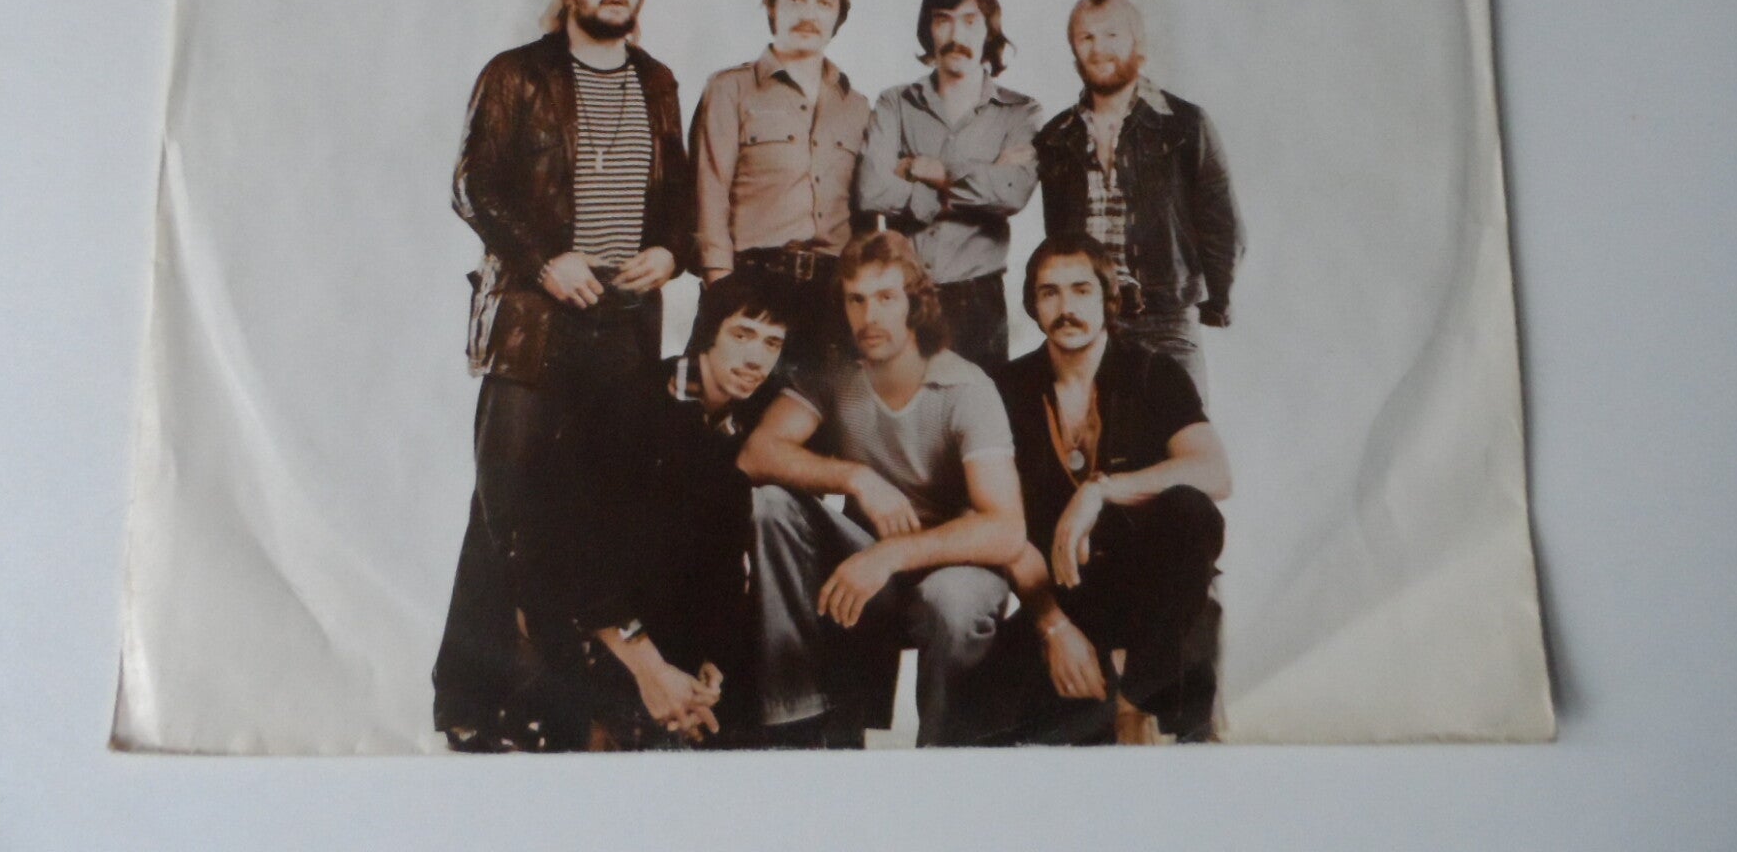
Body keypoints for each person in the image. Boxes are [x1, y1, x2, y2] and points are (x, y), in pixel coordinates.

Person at [432, 0, 694, 752]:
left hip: (624, 321)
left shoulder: (657, 81)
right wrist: (546, 259)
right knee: (505, 507)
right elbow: (472, 185)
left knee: (602, 509)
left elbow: (679, 195)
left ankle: (574, 703)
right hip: (534, 321)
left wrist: (671, 252)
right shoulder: (516, 73)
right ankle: (468, 701)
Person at [737, 231, 1025, 747]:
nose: (870, 316)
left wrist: (890, 555)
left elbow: (1005, 529)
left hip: (955, 569)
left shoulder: (966, 388)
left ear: (916, 302)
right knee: (771, 504)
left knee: (951, 600)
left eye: (886, 298)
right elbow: (756, 454)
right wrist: (856, 477)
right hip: (869, 573)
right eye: (857, 300)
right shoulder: (837, 375)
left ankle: (944, 763)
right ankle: (798, 725)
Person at [523, 270, 795, 751]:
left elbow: (722, 565)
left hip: (658, 640)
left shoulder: (736, 428)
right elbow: (571, 552)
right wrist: (651, 671)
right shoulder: (633, 405)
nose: (757, 358)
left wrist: (710, 665)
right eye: (742, 335)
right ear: (708, 333)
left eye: (772, 344)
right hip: (584, 625)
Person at [992, 233, 1229, 745]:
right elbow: (994, 520)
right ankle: (1106, 705)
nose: (1066, 308)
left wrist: (1099, 491)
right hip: (1063, 595)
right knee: (977, 728)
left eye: (1081, 290)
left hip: (1152, 597)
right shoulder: (1007, 389)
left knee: (1191, 510)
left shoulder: (1152, 372)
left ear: (1108, 298)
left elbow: (1214, 472)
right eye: (1050, 292)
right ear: (1032, 304)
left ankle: (1139, 699)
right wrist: (1052, 626)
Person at [1033, 0, 1244, 394]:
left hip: (1167, 320)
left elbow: (1222, 224)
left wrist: (1217, 300)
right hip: (1088, 323)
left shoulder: (1185, 124)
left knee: (1183, 429)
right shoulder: (1057, 137)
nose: (1099, 49)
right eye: (1086, 37)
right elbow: (1056, 237)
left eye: (1112, 35)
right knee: (1097, 432)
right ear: (1073, 50)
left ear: (1138, 42)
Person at [690, 0, 870, 369]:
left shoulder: (857, 106)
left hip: (831, 296)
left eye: (824, 3)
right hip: (751, 284)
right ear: (771, 6)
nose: (809, 14)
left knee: (824, 409)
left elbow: (865, 213)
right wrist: (721, 290)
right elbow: (708, 191)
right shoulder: (729, 89)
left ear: (839, 16)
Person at [855, 0, 1041, 374]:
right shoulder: (895, 103)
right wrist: (968, 186)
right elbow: (871, 189)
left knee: (978, 409)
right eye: (943, 20)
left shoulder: (1019, 112)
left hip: (978, 305)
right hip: (901, 297)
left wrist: (933, 171)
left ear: (989, 30)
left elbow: (1012, 192)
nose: (957, 35)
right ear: (929, 30)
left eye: (970, 21)